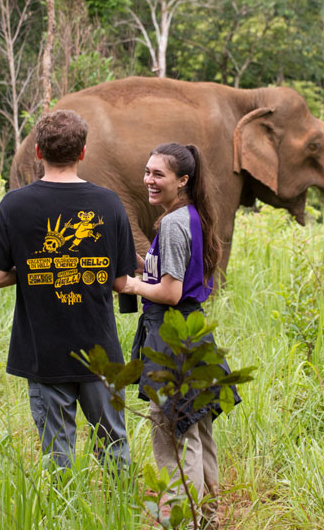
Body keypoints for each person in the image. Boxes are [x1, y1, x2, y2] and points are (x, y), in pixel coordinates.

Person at [0, 109, 136, 471]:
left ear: (37, 152)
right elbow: (119, 281)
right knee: (113, 446)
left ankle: (61, 518)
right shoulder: (109, 203)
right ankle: (120, 517)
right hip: (100, 351)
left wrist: (38, 265)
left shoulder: (14, 204)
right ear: (83, 153)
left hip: (44, 351)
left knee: (57, 453)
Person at [120, 142, 240, 529]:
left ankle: (181, 522)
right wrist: (140, 265)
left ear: (183, 180)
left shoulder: (172, 224)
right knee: (197, 432)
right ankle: (208, 519)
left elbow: (170, 293)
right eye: (147, 171)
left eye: (159, 174)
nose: (148, 180)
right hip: (193, 334)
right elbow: (175, 274)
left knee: (174, 437)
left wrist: (131, 285)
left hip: (171, 337)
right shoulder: (190, 215)